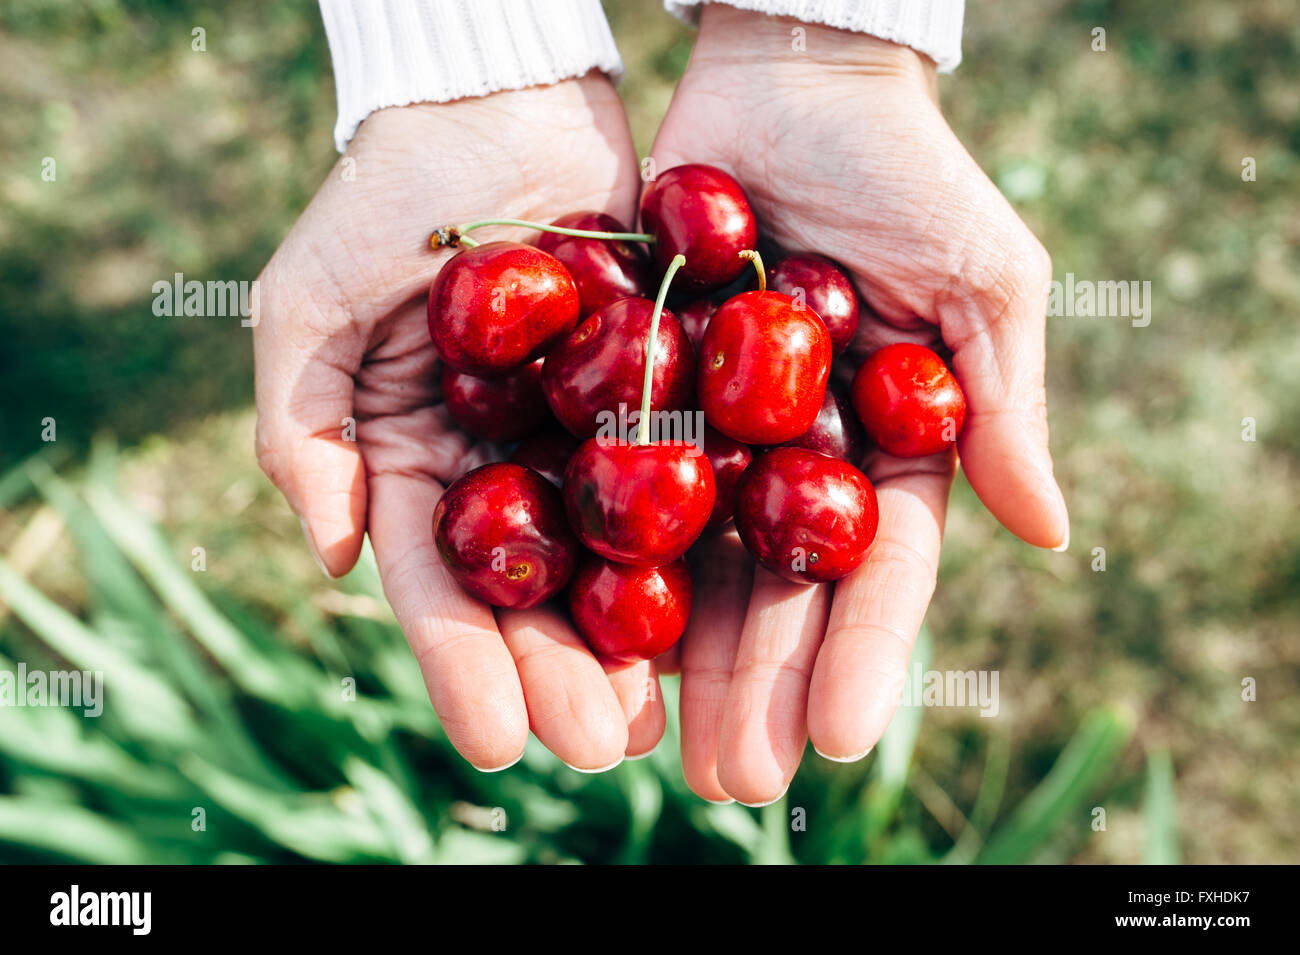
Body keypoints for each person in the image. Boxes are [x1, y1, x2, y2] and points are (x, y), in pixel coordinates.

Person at [254, 0, 1068, 807]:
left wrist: (832, 45)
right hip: (635, 415)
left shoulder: (692, 345)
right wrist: (455, 90)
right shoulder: (632, 347)